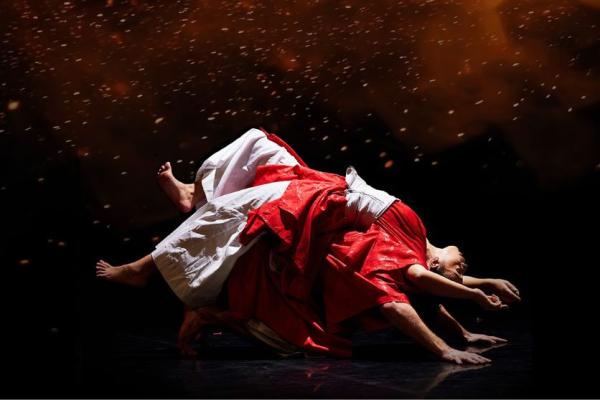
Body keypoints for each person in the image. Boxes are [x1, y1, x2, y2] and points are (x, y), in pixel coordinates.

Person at [97, 128, 520, 364]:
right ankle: (197, 196)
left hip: (321, 204)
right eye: (463, 267)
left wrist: (461, 323)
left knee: (242, 209)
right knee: (259, 142)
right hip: (324, 188)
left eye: (459, 270)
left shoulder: (407, 258)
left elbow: (425, 282)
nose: (463, 265)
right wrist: (480, 295)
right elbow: (434, 281)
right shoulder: (416, 238)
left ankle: (145, 266)